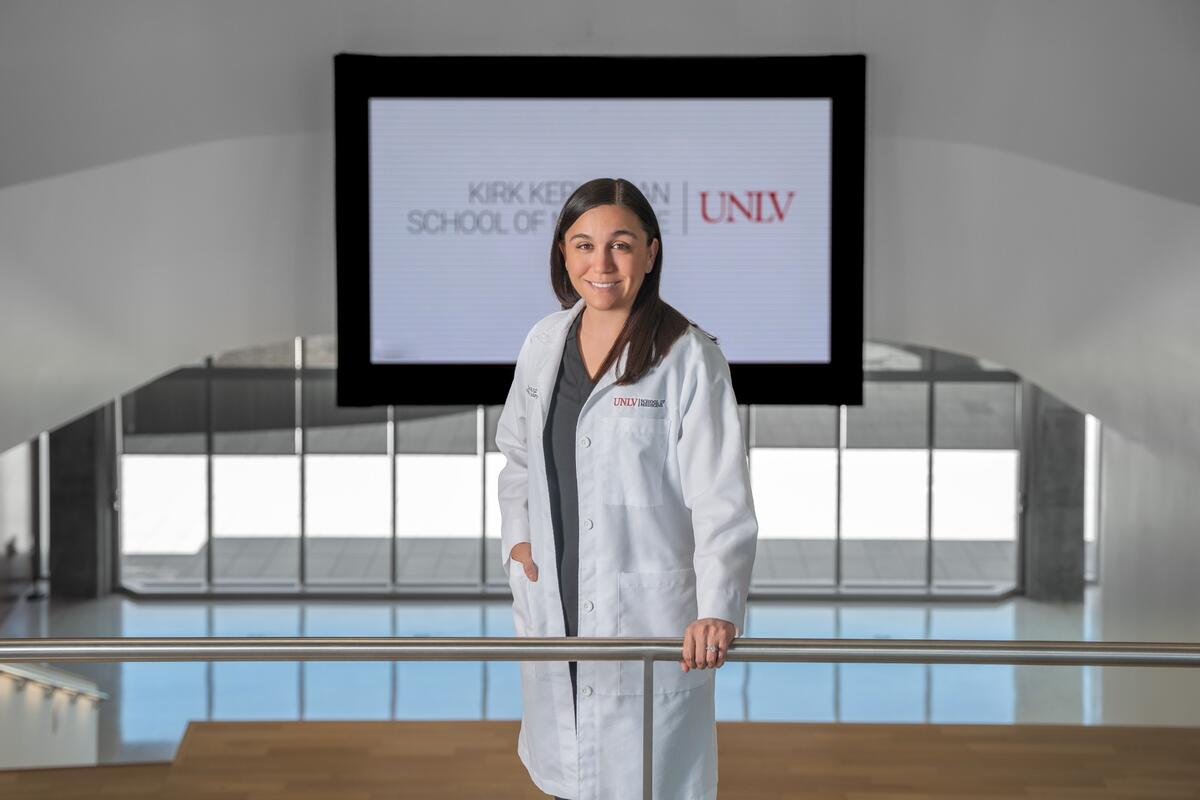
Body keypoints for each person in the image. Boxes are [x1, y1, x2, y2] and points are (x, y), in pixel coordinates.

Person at [495, 177, 759, 800]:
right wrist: (519, 543)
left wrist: (718, 607)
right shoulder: (542, 343)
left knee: (645, 777)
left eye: (621, 244)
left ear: (651, 252)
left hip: (647, 606)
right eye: (584, 245)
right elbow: (517, 456)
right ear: (564, 253)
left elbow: (721, 492)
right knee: (567, 775)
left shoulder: (689, 357)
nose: (602, 263)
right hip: (554, 589)